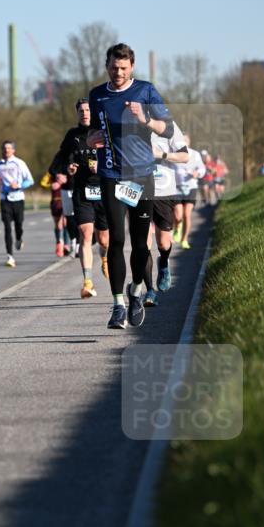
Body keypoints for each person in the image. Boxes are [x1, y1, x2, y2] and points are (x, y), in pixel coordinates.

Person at [87, 43, 173, 329]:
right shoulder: (97, 95)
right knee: (115, 240)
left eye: (123, 67)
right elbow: (92, 132)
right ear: (107, 66)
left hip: (142, 176)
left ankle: (135, 291)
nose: (118, 72)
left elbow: (168, 129)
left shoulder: (146, 91)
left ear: (132, 67)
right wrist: (90, 141)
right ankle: (117, 305)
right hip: (112, 174)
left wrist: (145, 119)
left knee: (139, 244)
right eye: (114, 67)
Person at [51, 97, 109, 298]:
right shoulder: (73, 136)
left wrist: (100, 167)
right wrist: (66, 169)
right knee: (85, 235)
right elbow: (61, 157)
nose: (85, 113)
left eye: (87, 110)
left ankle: (105, 258)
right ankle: (87, 282)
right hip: (82, 191)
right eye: (81, 111)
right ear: (77, 114)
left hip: (103, 191)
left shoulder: (104, 133)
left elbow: (116, 160)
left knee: (104, 240)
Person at [143, 122, 189, 306]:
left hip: (164, 191)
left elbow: (185, 156)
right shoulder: (129, 125)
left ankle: (164, 262)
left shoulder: (169, 127)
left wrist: (161, 154)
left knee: (163, 243)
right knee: (142, 245)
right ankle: (149, 291)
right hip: (139, 190)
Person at [0, 140, 33, 268]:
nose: (6, 151)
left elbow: (30, 180)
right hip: (5, 199)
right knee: (6, 227)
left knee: (18, 224)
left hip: (18, 199)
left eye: (9, 148)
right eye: (4, 149)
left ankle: (19, 238)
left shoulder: (19, 163)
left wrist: (19, 185)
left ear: (13, 150)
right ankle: (10, 256)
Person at [173, 133, 206, 249]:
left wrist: (198, 173)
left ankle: (184, 239)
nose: (183, 143)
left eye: (185, 140)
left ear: (189, 142)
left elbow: (202, 168)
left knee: (187, 214)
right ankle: (177, 227)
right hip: (176, 188)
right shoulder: (174, 154)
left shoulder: (195, 155)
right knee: (178, 215)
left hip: (191, 187)